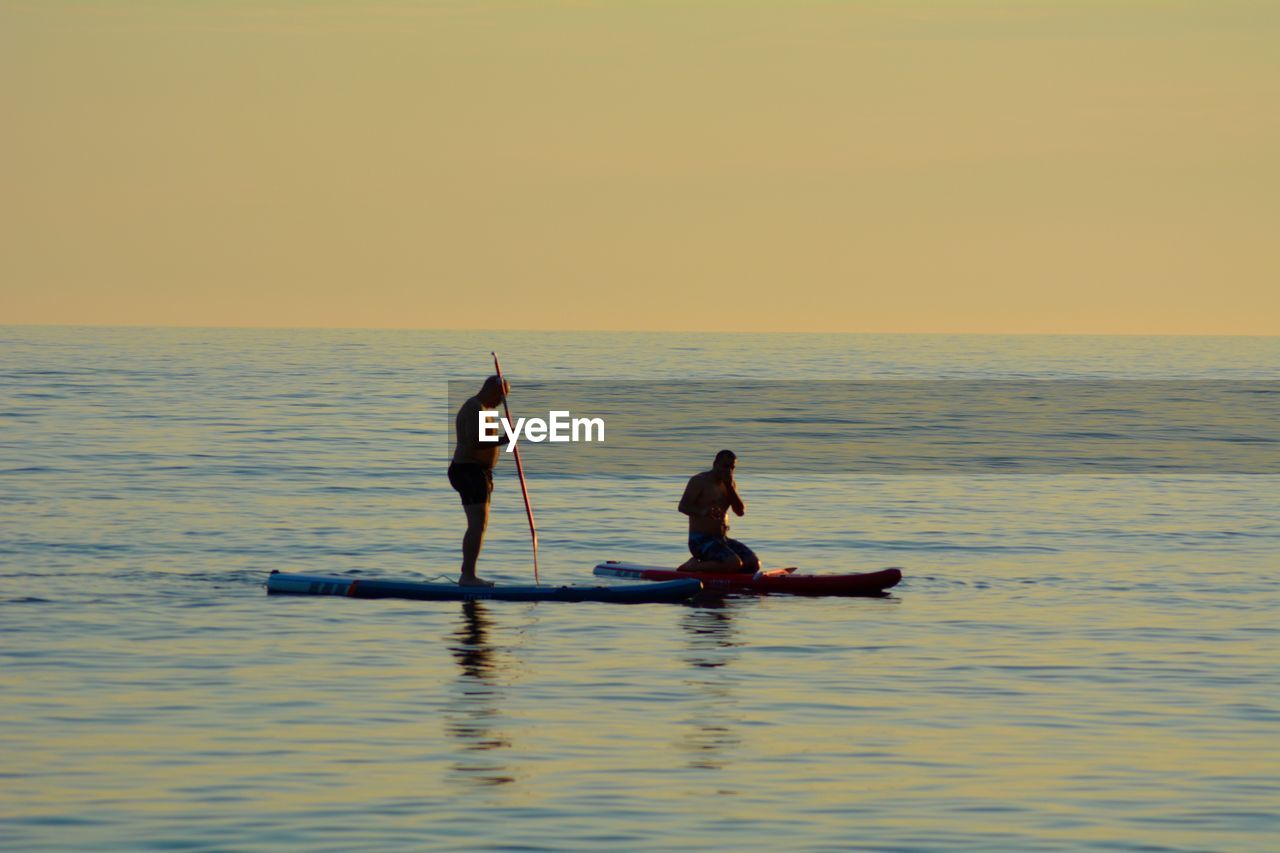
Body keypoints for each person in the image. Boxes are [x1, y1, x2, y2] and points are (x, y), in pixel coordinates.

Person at [448, 375, 509, 586]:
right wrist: (504, 439)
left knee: (479, 524)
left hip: (477, 472)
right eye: (502, 396)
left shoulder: (486, 409)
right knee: (477, 525)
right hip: (468, 470)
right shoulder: (475, 408)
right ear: (493, 390)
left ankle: (468, 573)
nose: (502, 402)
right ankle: (468, 576)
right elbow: (477, 441)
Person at [677, 449, 760, 573]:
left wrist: (729, 487)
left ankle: (724, 573)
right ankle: (692, 567)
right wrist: (703, 512)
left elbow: (740, 512)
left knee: (753, 563)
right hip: (700, 541)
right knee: (734, 563)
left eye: (732, 467)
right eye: (725, 466)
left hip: (721, 539)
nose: (729, 471)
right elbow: (683, 506)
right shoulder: (699, 481)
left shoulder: (730, 485)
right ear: (715, 464)